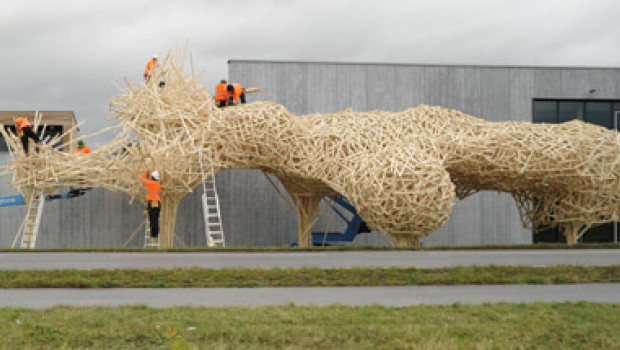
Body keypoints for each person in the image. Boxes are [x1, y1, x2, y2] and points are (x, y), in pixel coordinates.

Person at [140, 170, 161, 239]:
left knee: (152, 219)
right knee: (156, 219)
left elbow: (142, 179)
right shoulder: (158, 184)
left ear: (152, 177)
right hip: (157, 203)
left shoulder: (150, 182)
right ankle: (156, 233)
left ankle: (153, 234)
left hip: (152, 202)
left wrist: (145, 173)